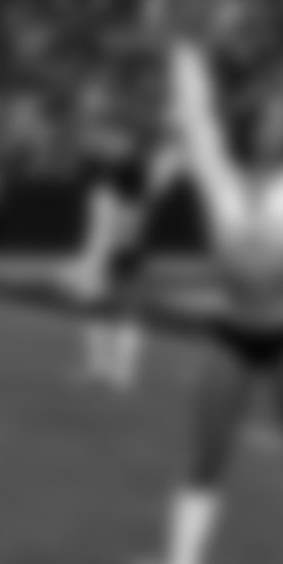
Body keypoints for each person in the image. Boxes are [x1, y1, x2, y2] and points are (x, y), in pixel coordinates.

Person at [145, 0, 283, 564]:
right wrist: (183, 40)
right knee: (206, 456)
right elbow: (196, 111)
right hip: (231, 332)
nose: (276, 121)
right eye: (266, 113)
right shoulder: (219, 177)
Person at [60, 82, 180, 392]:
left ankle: (120, 371)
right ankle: (100, 367)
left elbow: (137, 205)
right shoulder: (105, 164)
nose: (101, 140)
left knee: (124, 304)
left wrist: (122, 238)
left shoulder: (132, 167)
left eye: (111, 136)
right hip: (105, 235)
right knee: (97, 303)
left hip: (121, 237)